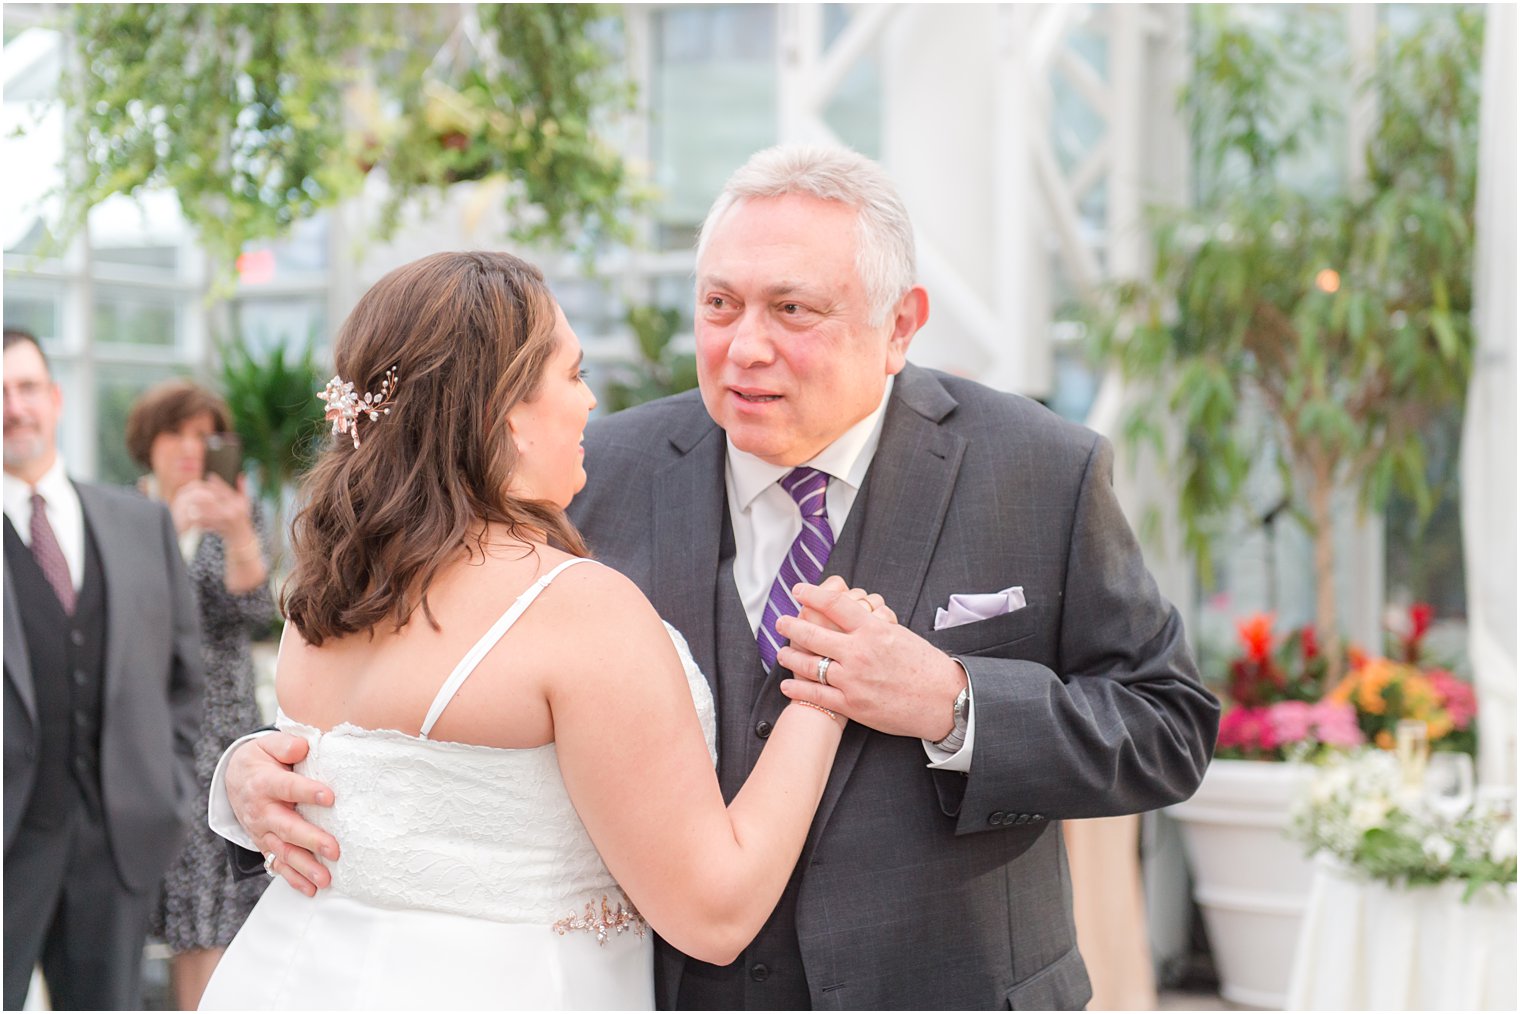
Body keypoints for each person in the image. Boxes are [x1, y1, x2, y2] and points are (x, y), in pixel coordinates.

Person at [222, 146, 1220, 1009]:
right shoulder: (584, 467)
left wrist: (954, 704)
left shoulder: (1040, 470)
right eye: (718, 304)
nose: (744, 347)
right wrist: (272, 770)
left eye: (792, 310)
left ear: (901, 324)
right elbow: (442, 673)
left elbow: (1167, 727)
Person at [198, 251, 873, 1009]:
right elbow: (714, 914)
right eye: (574, 374)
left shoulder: (326, 587)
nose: (590, 403)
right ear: (504, 413)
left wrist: (238, 768)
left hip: (287, 976)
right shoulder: (574, 609)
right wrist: (825, 687)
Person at [3, 328, 205, 1010]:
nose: (14, 407)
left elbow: (186, 679)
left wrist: (170, 793)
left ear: (55, 398)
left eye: (27, 388)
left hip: (117, 846)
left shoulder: (140, 524)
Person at [124, 380, 276, 1009]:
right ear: (148, 444)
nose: (191, 449)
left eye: (204, 435)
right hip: (139, 726)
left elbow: (258, 610)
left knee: (208, 911)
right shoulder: (122, 514)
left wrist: (240, 534)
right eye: (176, 433)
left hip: (220, 731)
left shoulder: (237, 513)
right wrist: (170, 533)